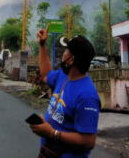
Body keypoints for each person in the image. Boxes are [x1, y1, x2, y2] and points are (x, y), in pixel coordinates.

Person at [29, 24, 101, 158]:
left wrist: (52, 133)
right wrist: (42, 45)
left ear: (71, 59)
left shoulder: (87, 96)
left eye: (66, 50)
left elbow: (89, 141)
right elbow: (46, 75)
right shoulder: (64, 75)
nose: (63, 53)